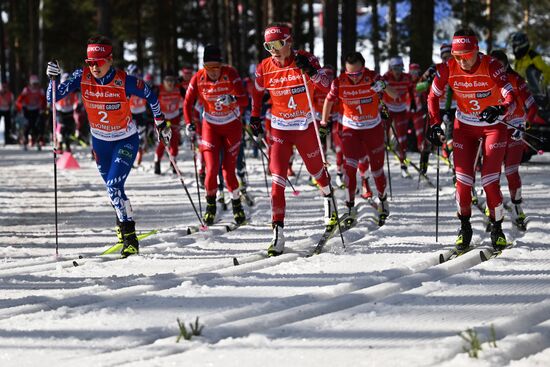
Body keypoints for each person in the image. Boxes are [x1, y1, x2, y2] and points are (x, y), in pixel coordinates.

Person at [46, 35, 168, 258]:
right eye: (90, 62)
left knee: (113, 185)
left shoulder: (124, 80)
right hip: (100, 143)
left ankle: (130, 237)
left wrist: (160, 122)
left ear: (110, 60)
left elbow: (150, 93)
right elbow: (51, 99)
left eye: (99, 62)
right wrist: (52, 80)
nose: (95, 67)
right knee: (115, 190)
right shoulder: (81, 77)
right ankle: (122, 224)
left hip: (125, 140)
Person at [250, 22, 338, 257]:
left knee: (317, 171)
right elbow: (256, 91)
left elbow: (327, 85)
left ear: (289, 42)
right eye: (268, 46)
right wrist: (255, 116)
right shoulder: (264, 67)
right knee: (277, 179)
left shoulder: (306, 59)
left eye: (278, 44)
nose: (274, 51)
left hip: (304, 126)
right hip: (280, 129)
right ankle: (277, 232)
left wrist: (310, 71)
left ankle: (329, 199)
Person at [427, 28, 516, 251]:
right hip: (464, 128)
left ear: (477, 50)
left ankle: (497, 228)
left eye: (466, 55)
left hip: (493, 128)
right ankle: (464, 227)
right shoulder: (448, 68)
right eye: (457, 56)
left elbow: (510, 97)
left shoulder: (492, 66)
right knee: (464, 183)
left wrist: (499, 108)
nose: (462, 61)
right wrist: (435, 124)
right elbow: (432, 96)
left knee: (489, 181)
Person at [321, 52, 392, 225]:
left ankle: (383, 200)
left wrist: (383, 86)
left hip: (372, 128)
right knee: (350, 168)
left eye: (358, 74)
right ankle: (350, 205)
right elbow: (328, 101)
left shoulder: (372, 76)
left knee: (377, 170)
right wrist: (324, 122)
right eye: (350, 74)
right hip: (350, 128)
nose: (354, 78)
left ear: (364, 68)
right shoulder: (339, 82)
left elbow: (394, 94)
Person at [183, 44, 249, 226]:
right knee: (211, 169)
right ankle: (210, 207)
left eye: (216, 67)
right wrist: (189, 123)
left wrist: (233, 99)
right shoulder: (198, 78)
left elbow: (245, 99)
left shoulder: (230, 74)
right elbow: (187, 103)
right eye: (209, 67)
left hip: (231, 127)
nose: (213, 72)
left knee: (228, 171)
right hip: (210, 126)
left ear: (222, 65)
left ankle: (237, 206)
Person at [491, 49, 537, 229]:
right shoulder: (487, 80)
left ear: (506, 64)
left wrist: (525, 126)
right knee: (492, 171)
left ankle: (517, 207)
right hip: (495, 128)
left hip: (515, 128)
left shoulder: (516, 80)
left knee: (511, 170)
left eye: (500, 65)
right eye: (494, 65)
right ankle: (493, 206)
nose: (497, 69)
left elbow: (532, 108)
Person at [382, 56, 415, 177]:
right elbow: (379, 92)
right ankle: (379, 164)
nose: (397, 71)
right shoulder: (385, 77)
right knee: (381, 136)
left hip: (401, 109)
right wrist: (380, 107)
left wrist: (412, 104)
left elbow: (412, 91)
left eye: (400, 68)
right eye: (395, 68)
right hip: (388, 108)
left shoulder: (407, 77)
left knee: (402, 137)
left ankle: (403, 165)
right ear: (391, 69)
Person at [154, 71, 184, 174]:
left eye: (172, 80)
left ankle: (173, 163)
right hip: (163, 119)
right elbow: (151, 101)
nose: (170, 83)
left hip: (174, 117)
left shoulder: (178, 89)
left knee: (175, 141)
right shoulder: (159, 89)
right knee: (163, 142)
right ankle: (157, 162)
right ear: (164, 81)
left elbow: (188, 99)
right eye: (168, 81)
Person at [511, 31, 550, 109]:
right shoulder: (517, 61)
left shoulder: (533, 56)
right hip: (523, 92)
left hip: (538, 93)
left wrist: (543, 86)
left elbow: (547, 71)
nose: (515, 49)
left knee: (530, 71)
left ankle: (541, 101)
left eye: (516, 46)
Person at [16, 75, 47, 150]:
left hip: (36, 110)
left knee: (36, 125)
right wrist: (21, 108)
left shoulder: (40, 90)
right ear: (30, 83)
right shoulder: (26, 90)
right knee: (27, 125)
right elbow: (19, 101)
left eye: (36, 84)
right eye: (33, 84)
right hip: (27, 110)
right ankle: (25, 141)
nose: (35, 85)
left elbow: (44, 101)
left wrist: (43, 108)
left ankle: (37, 141)